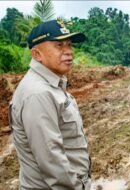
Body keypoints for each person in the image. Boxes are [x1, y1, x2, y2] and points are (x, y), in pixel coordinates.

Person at [8, 20, 91, 190]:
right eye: (59, 45)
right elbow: (52, 161)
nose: (68, 52)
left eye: (69, 45)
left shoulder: (50, 85)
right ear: (37, 54)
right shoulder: (38, 93)